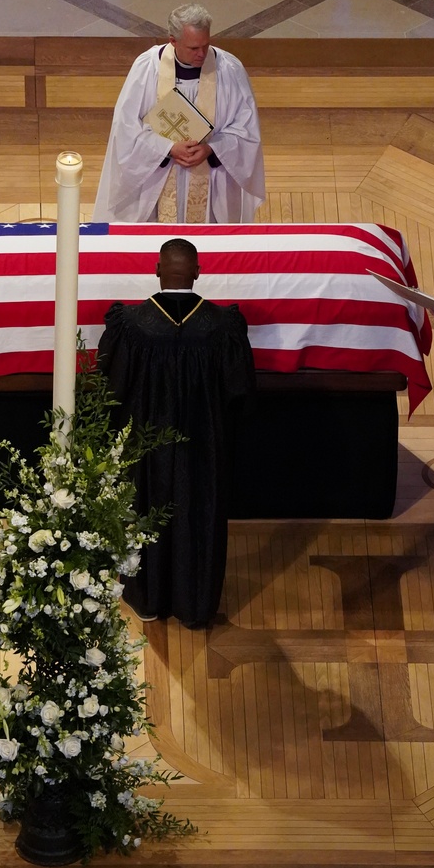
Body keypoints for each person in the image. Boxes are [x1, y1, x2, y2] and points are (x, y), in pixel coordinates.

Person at [97, 238, 255, 628]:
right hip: (205, 446)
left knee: (144, 510)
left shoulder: (130, 326)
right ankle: (195, 606)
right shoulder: (223, 327)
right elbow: (239, 392)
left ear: (156, 271)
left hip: (146, 447)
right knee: (200, 515)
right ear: (198, 274)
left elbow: (110, 390)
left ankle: (147, 599)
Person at [93, 3, 266, 223]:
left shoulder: (229, 69)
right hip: (157, 180)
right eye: (193, 48)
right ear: (172, 41)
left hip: (212, 182)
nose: (202, 54)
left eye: (206, 45)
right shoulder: (147, 67)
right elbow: (125, 128)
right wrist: (168, 148)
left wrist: (212, 149)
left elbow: (246, 131)